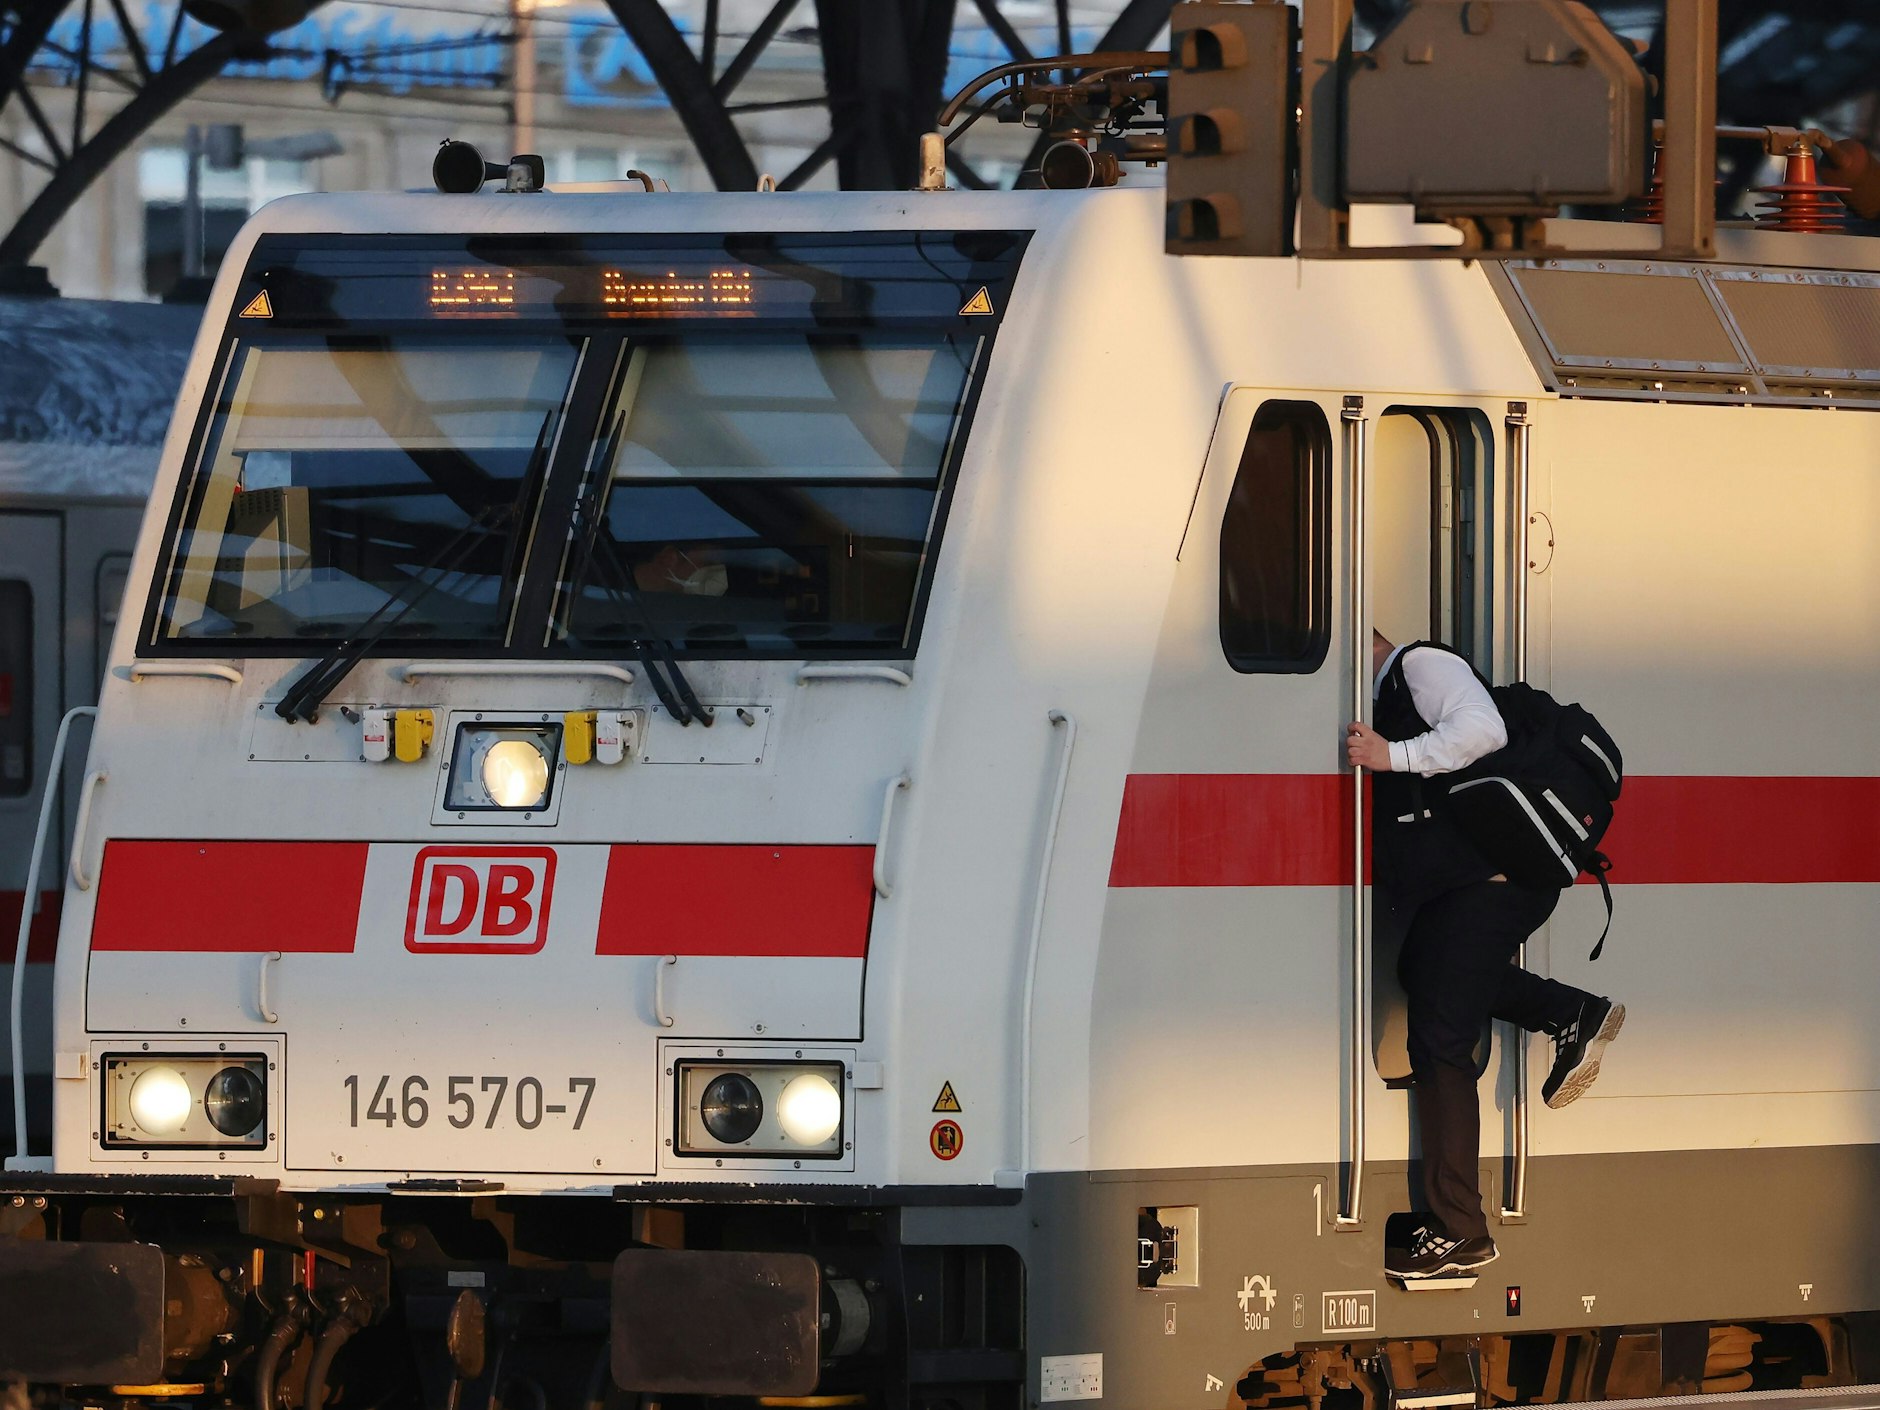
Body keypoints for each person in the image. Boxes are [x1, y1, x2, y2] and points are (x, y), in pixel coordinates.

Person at [1346, 630, 1625, 1281]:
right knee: (1422, 969)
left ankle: (1459, 1231)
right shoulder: (1401, 681)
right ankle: (1573, 1014)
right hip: (1483, 880)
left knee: (1442, 1035)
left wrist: (1393, 755)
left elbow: (1482, 732)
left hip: (1497, 883)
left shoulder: (1419, 665)